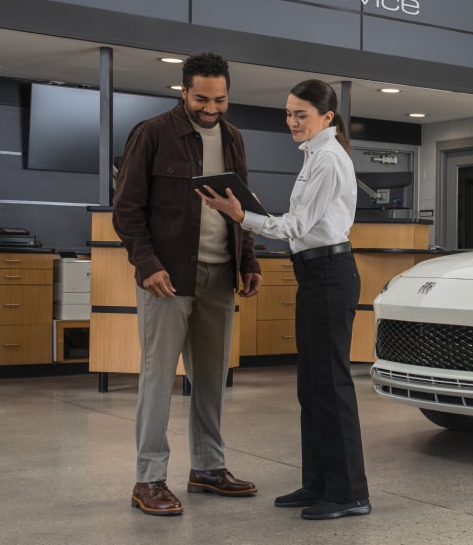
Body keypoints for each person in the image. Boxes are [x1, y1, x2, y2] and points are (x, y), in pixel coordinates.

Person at [198, 78, 370, 521]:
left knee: (331, 385)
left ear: (326, 118)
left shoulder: (329, 159)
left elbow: (295, 226)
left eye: (301, 115)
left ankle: (349, 492)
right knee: (311, 386)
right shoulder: (315, 154)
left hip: (330, 273)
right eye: (289, 113)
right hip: (315, 273)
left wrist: (241, 215)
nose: (292, 122)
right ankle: (319, 483)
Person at [113, 52, 263, 517]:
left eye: (219, 99)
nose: (211, 108)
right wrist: (146, 264)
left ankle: (208, 468)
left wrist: (249, 259)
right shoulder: (153, 133)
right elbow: (127, 209)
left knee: (213, 379)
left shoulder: (233, 137)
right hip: (167, 276)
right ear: (183, 91)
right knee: (159, 380)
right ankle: (149, 478)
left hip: (220, 276)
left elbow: (240, 203)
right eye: (202, 98)